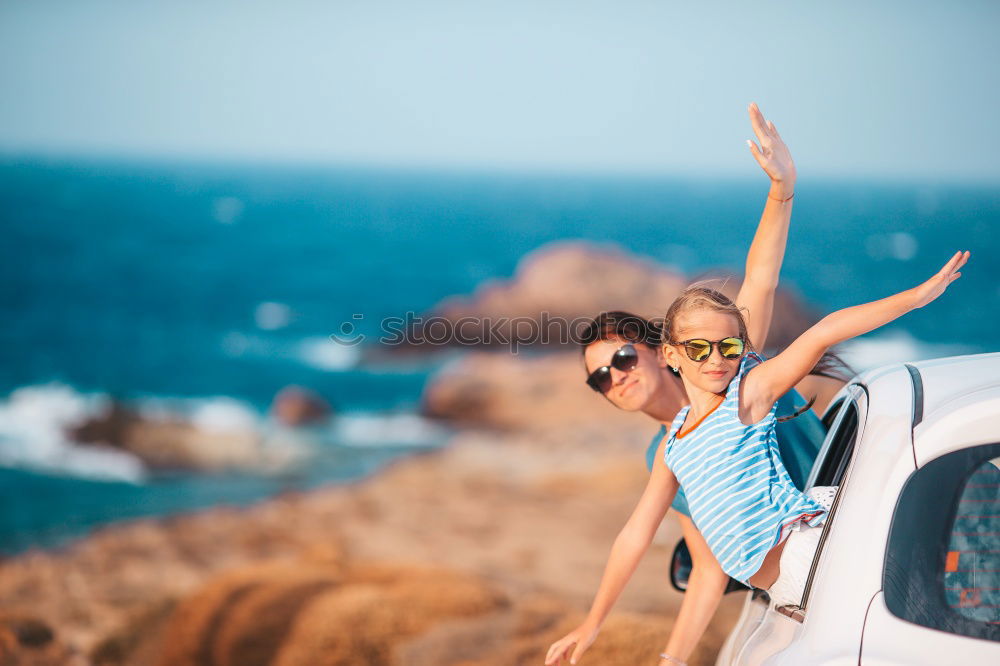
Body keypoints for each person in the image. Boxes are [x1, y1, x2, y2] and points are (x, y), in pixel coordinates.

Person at [546, 250, 970, 666]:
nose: (715, 359)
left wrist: (915, 297)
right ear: (671, 355)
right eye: (698, 348)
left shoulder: (747, 396)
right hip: (788, 590)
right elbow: (634, 536)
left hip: (813, 558)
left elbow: (821, 330)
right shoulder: (671, 446)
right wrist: (594, 624)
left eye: (727, 346)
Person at [572, 102, 848, 664]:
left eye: (622, 358)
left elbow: (761, 277)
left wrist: (781, 191)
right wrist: (663, 658)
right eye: (599, 378)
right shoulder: (667, 452)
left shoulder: (734, 363)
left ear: (660, 350)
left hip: (848, 529)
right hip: (805, 583)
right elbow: (704, 569)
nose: (615, 377)